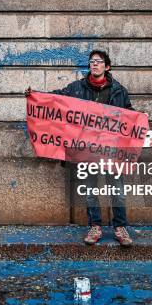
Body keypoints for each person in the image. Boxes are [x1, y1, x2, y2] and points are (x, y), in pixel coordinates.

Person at [26, 50, 138, 246]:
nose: (94, 64)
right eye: (92, 61)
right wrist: (36, 96)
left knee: (117, 189)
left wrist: (140, 121)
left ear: (107, 66)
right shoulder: (76, 88)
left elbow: (129, 116)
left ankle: (120, 228)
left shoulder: (119, 91)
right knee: (90, 191)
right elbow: (56, 99)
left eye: (99, 61)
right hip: (87, 151)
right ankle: (95, 226)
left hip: (111, 151)